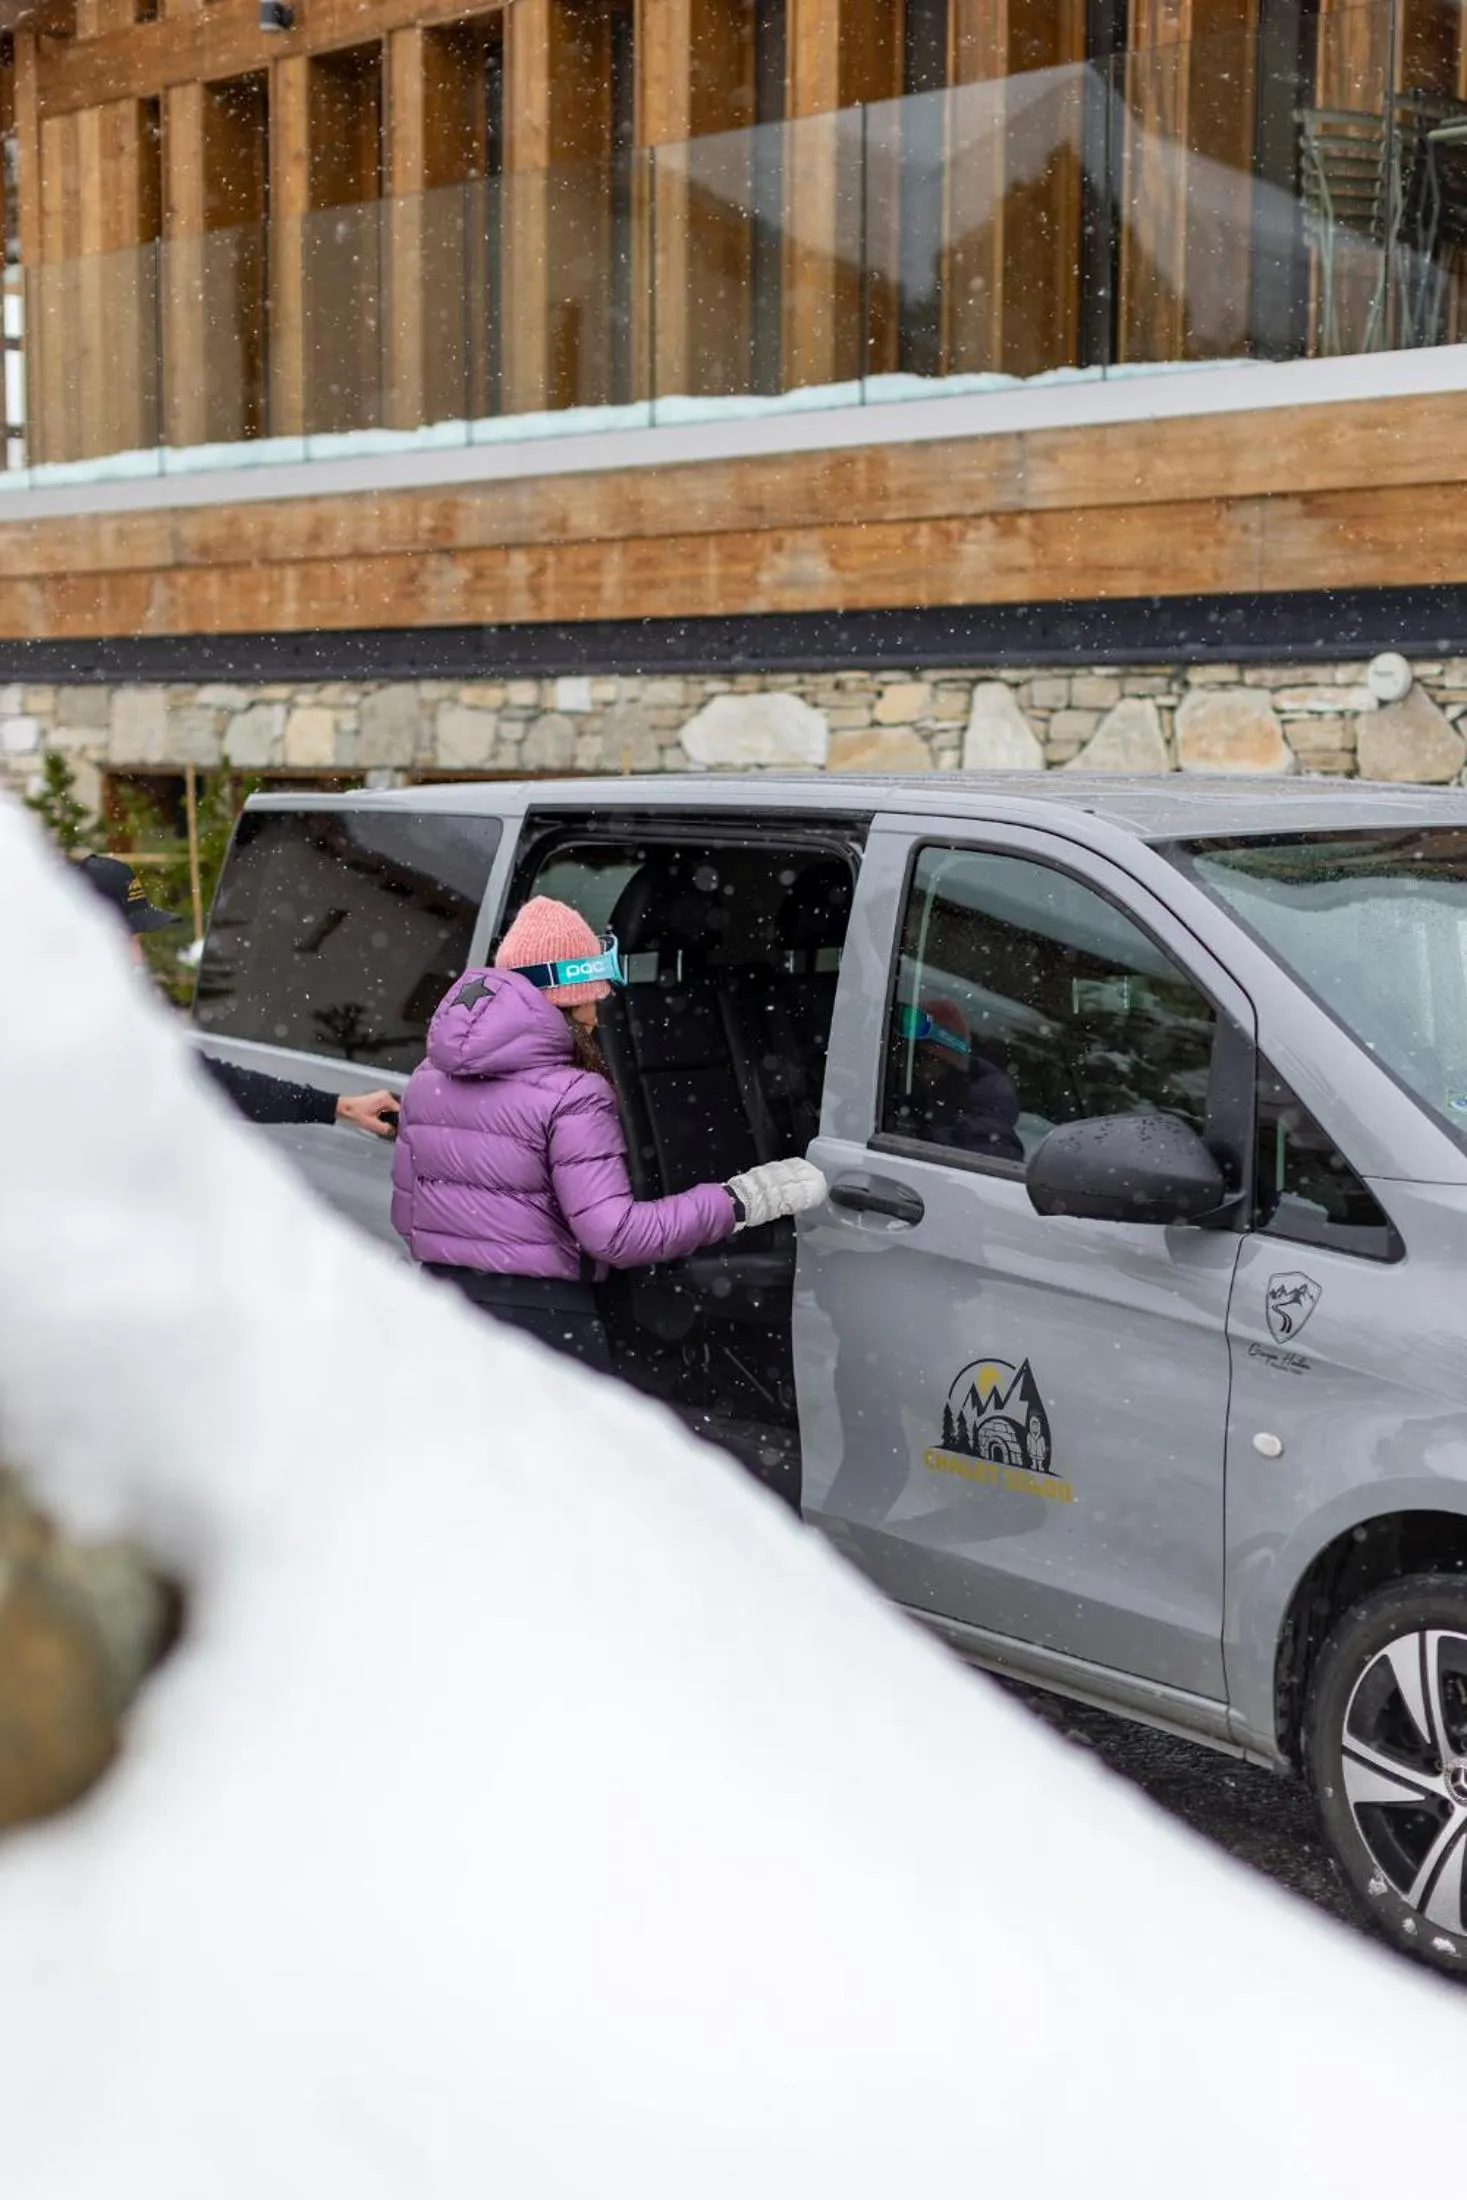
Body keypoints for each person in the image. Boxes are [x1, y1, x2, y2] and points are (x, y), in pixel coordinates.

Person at [391, 895, 828, 1370]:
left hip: (442, 1309)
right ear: (567, 996)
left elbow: (406, 1217)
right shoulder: (574, 1094)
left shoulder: (427, 1077)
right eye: (593, 997)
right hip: (541, 1325)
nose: (601, 1012)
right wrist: (745, 1198)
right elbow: (616, 1236)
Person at [77, 853, 400, 1139]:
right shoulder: (49, 1036)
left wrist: (340, 1107)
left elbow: (212, 1082)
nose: (137, 957)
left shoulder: (110, 1020)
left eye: (136, 939)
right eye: (122, 937)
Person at [891, 994, 1024, 1164]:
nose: (910, 1068)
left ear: (944, 1063)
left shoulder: (983, 1132)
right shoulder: (917, 1104)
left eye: (919, 1058)